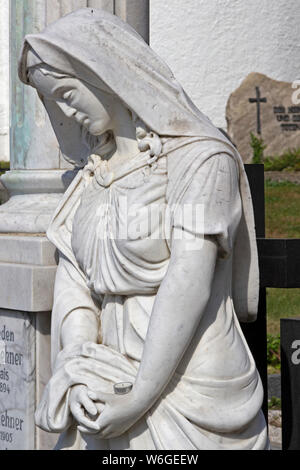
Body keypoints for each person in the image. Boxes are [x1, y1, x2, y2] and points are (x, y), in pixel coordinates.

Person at [18, 8, 269, 450]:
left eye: (67, 93)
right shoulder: (90, 178)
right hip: (104, 377)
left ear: (103, 74)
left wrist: (140, 395)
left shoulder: (201, 160)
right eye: (53, 100)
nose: (64, 110)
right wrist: (77, 366)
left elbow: (188, 280)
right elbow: (74, 287)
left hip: (186, 383)